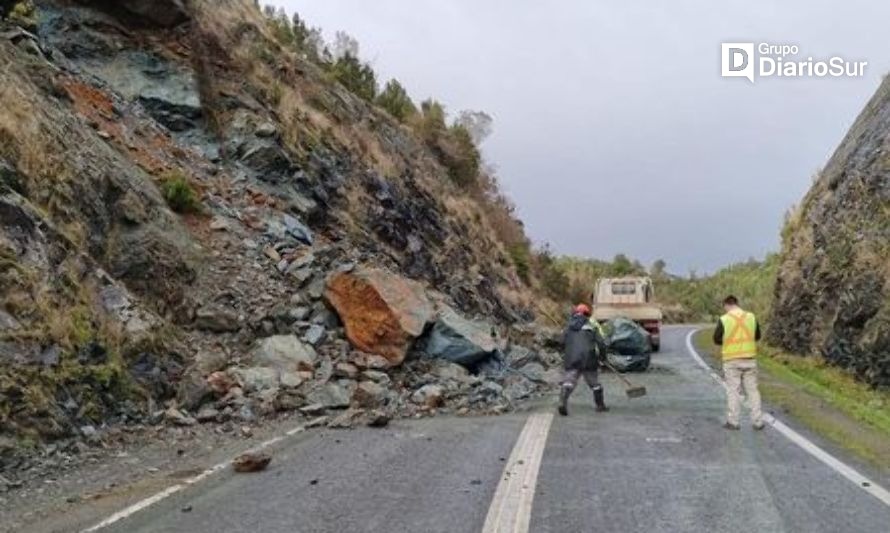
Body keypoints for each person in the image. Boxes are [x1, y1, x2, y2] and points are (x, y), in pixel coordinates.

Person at [713, 295, 764, 430]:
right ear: (737, 303)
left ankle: (733, 421)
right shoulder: (751, 317)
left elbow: (716, 339)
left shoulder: (724, 319)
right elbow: (757, 335)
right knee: (753, 391)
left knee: (733, 391)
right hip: (750, 359)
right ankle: (758, 421)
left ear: (726, 305)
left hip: (732, 360)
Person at [558, 303, 609, 416]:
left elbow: (560, 342)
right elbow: (601, 343)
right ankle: (600, 405)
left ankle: (562, 401)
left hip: (572, 358)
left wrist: (566, 352)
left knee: (569, 381)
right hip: (589, 358)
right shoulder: (592, 327)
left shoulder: (568, 327)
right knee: (594, 383)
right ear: (587, 315)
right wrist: (603, 358)